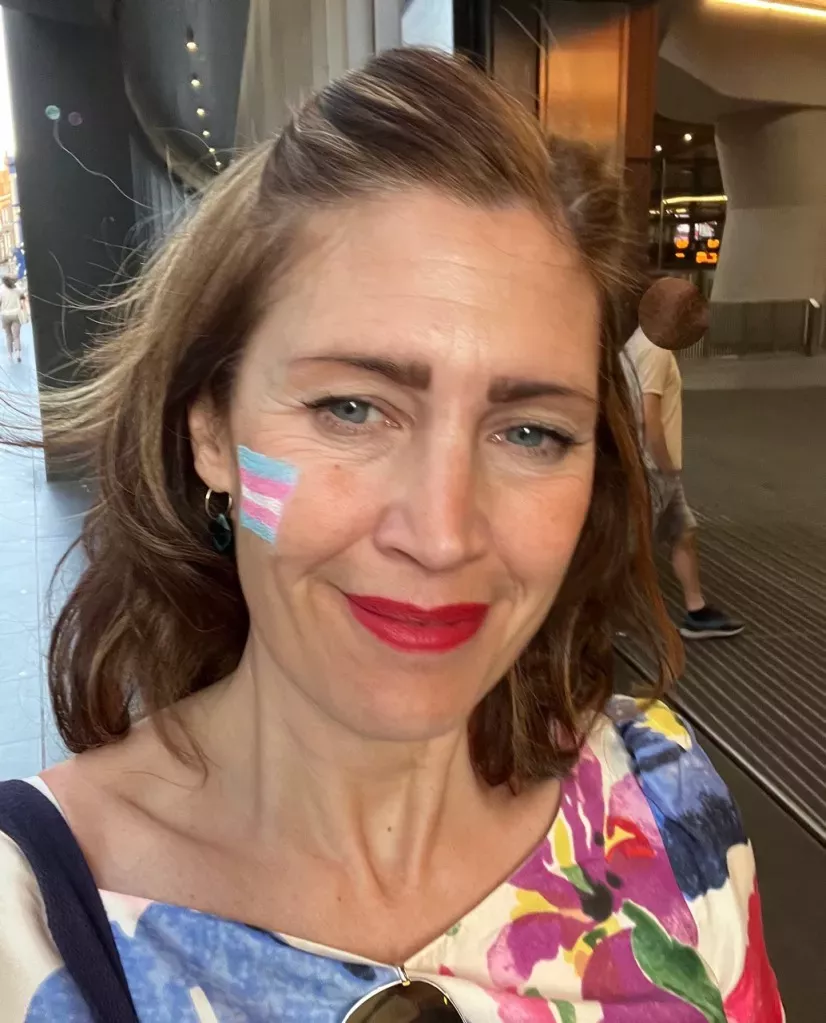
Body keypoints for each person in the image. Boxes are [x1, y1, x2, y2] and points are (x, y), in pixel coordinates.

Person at [0, 50, 781, 1022]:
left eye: (530, 431)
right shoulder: (26, 922)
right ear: (212, 434)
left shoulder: (663, 797)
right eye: (352, 409)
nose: (442, 534)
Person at [625, 280, 745, 641]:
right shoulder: (654, 349)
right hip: (653, 466)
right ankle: (589, 619)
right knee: (632, 546)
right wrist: (665, 464)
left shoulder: (639, 343)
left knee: (683, 533)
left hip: (651, 465)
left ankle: (696, 609)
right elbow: (649, 415)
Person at [1, 274, 24, 362]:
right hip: (16, 314)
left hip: (5, 315)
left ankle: (10, 355)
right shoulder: (17, 288)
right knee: (16, 336)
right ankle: (18, 354)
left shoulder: (1, 289)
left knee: (8, 335)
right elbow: (22, 297)